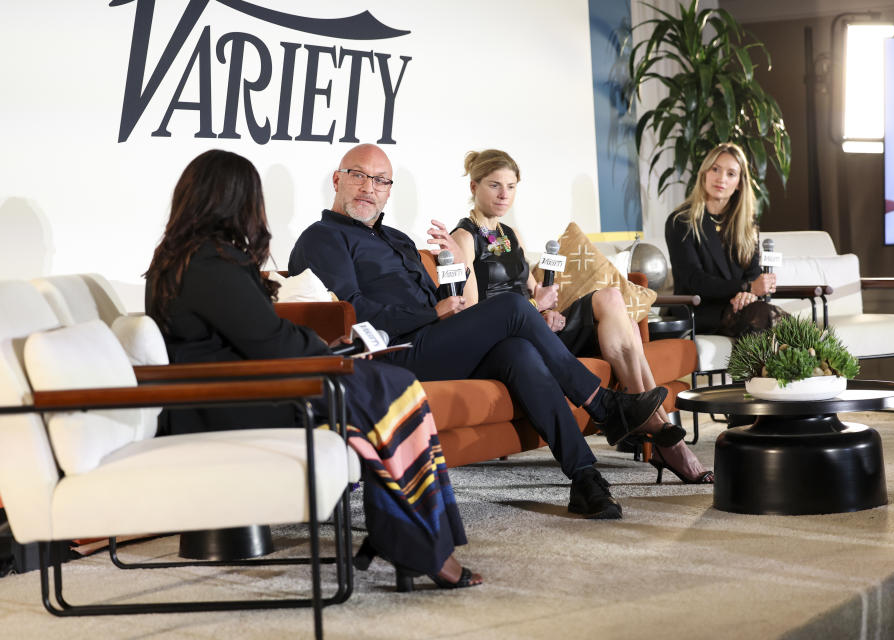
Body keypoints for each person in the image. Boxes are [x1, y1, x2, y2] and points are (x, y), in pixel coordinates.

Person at [145, 149, 481, 591]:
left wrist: (330, 348)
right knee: (391, 386)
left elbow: (257, 335)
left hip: (239, 390)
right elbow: (266, 339)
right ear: (232, 200)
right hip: (228, 402)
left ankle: (413, 539)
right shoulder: (208, 263)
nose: (258, 209)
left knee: (390, 384)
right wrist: (326, 348)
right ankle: (418, 543)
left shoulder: (190, 258)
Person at [289, 143, 669, 520]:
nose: (368, 188)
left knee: (519, 351)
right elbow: (351, 311)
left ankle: (585, 477)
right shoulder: (322, 237)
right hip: (393, 352)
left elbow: (444, 299)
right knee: (514, 306)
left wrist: (453, 265)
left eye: (380, 180)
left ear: (389, 190)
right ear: (338, 179)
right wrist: (434, 313)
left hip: (435, 343)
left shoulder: (399, 240)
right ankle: (601, 403)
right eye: (358, 176)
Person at [450, 149, 712, 485]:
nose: (505, 195)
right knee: (624, 325)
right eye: (495, 185)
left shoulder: (508, 235)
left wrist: (547, 309)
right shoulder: (463, 238)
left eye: (512, 186)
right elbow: (475, 314)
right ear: (474, 186)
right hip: (507, 342)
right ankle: (664, 436)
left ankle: (649, 423)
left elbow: (533, 295)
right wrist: (534, 313)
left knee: (614, 302)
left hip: (536, 330)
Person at [664, 142, 784, 338]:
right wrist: (745, 288)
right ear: (704, 173)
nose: (721, 179)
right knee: (763, 317)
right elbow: (695, 280)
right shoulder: (681, 221)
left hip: (740, 306)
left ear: (739, 184)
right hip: (700, 309)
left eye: (731, 174)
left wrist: (747, 294)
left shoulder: (747, 223)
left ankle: (789, 364)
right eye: (715, 169)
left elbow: (753, 272)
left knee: (764, 318)